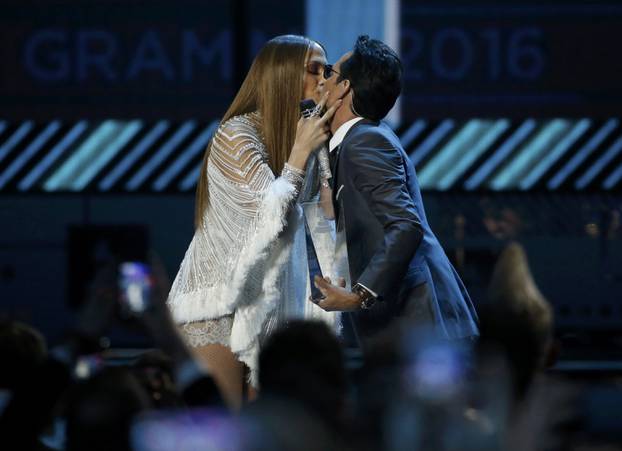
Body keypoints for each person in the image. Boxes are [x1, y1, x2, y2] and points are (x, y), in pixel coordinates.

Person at [166, 35, 340, 409]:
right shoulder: (235, 135)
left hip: (272, 306)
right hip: (218, 303)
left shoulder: (303, 135)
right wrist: (300, 152)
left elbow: (323, 219)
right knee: (223, 430)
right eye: (313, 70)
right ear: (280, 76)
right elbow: (268, 214)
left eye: (326, 71)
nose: (323, 80)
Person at [312, 35, 479, 344]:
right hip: (406, 323)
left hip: (420, 323)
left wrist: (360, 295)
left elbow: (405, 225)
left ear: (345, 87)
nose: (320, 82)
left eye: (329, 73)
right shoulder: (357, 140)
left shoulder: (364, 142)